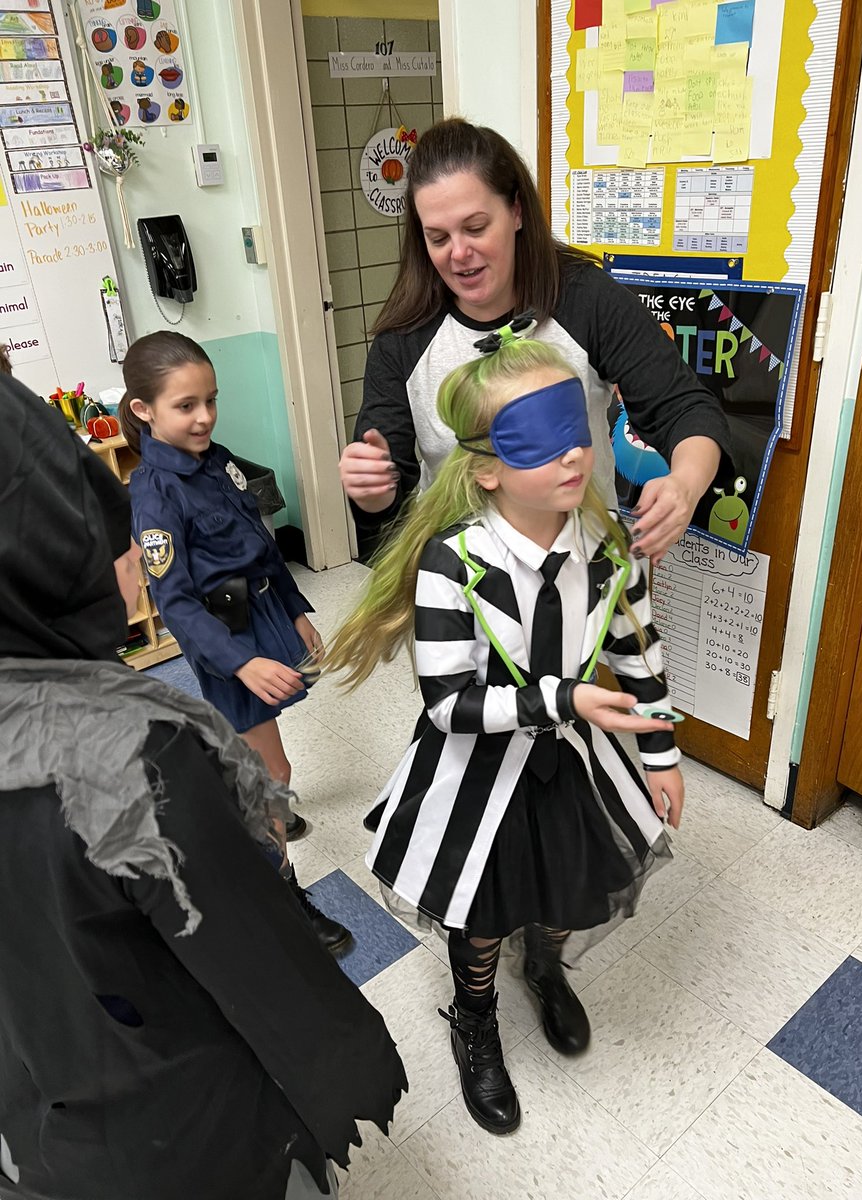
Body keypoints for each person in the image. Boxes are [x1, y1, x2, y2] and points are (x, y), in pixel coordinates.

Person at [0, 371, 407, 1199]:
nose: (128, 567)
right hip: (184, 1130)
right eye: (106, 539)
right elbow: (257, 966)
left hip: (45, 1113)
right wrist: (348, 1066)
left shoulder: (220, 465)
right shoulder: (133, 757)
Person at [327, 335, 684, 1135]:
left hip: (572, 764)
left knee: (569, 883)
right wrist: (564, 698)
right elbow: (448, 703)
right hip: (478, 771)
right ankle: (475, 1015)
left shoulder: (609, 551)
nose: (574, 454)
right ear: (487, 468)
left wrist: (660, 752)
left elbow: (639, 650)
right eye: (542, 440)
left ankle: (546, 966)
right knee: (483, 909)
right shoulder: (452, 564)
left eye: (577, 431)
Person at [339, 118, 731, 564]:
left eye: (476, 227)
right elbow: (386, 508)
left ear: (517, 212)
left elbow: (685, 408)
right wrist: (371, 490)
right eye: (439, 238)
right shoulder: (403, 340)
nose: (459, 253)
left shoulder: (586, 300)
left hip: (583, 567)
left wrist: (684, 485)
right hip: (462, 582)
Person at [121, 331, 350, 952]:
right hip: (225, 639)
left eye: (211, 400)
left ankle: (267, 810)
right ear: (143, 410)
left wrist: (297, 610)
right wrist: (242, 662)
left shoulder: (217, 459)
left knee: (265, 756)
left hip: (264, 613)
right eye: (185, 406)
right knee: (268, 770)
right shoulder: (155, 492)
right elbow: (174, 602)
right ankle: (282, 892)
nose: (204, 417)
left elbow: (261, 544)